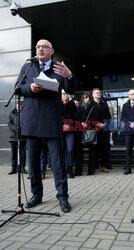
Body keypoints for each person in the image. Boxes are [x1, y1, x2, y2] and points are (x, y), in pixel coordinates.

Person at [16, 39, 75, 213]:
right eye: (38, 47)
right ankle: (36, 195)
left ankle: (63, 197)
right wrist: (31, 88)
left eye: (45, 47)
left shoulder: (59, 68)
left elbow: (71, 89)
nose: (41, 49)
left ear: (52, 51)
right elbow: (18, 88)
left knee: (57, 163)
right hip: (31, 121)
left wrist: (69, 76)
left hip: (51, 122)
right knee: (33, 162)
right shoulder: (28, 66)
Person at [92, 88, 112, 173]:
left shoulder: (104, 104)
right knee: (94, 148)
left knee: (104, 148)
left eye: (99, 93)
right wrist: (95, 124)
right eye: (96, 93)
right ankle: (94, 165)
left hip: (103, 129)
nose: (98, 94)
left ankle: (104, 166)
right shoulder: (90, 104)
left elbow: (109, 117)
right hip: (93, 130)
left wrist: (104, 124)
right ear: (93, 95)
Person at [79, 92, 99, 175]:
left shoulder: (94, 106)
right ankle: (79, 170)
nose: (86, 98)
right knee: (80, 150)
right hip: (80, 129)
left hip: (90, 129)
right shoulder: (80, 106)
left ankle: (91, 170)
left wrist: (88, 123)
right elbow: (77, 117)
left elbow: (96, 117)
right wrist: (81, 123)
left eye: (87, 97)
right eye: (84, 97)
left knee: (92, 151)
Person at [8, 102, 27, 175]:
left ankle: (22, 168)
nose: (20, 108)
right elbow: (9, 123)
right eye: (19, 107)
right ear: (16, 106)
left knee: (22, 153)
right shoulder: (12, 113)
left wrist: (22, 130)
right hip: (13, 136)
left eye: (21, 107)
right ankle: (13, 168)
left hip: (22, 137)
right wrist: (16, 129)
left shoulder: (25, 113)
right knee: (14, 153)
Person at [62, 90, 77, 178]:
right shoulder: (57, 105)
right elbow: (55, 117)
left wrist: (69, 124)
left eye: (66, 93)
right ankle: (64, 169)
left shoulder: (72, 105)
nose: (65, 95)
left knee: (70, 149)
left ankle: (70, 167)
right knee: (62, 150)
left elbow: (76, 117)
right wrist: (62, 125)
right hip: (60, 130)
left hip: (70, 130)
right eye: (63, 94)